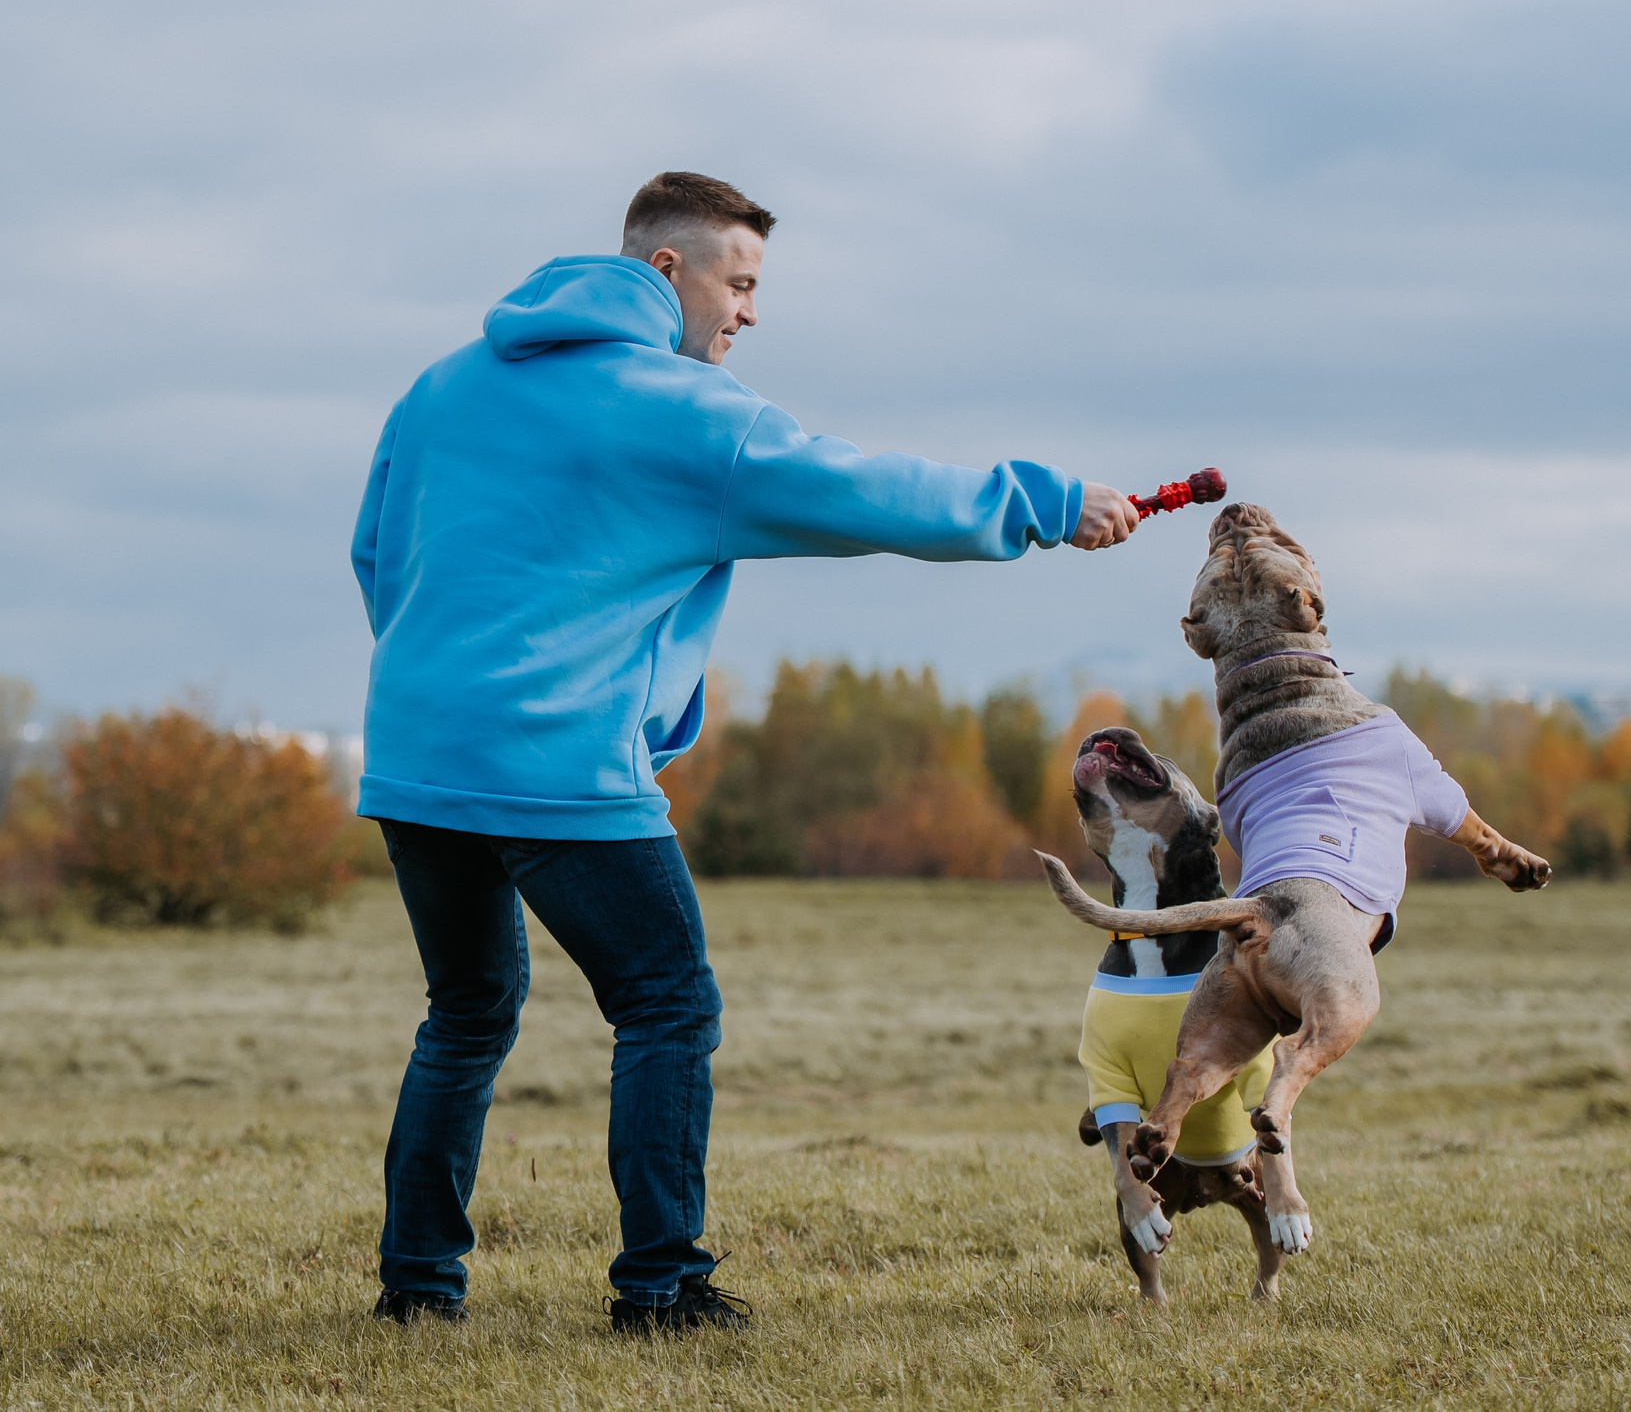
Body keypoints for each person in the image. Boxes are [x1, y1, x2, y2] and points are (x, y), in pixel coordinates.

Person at [351, 172, 1139, 1332]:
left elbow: (377, 553)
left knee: (466, 1012)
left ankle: (418, 1291)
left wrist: (450, 690)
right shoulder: (679, 411)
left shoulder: (441, 386)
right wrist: (1045, 498)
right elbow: (865, 489)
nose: (750, 310)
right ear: (665, 270)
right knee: (668, 1001)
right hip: (557, 767)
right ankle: (661, 1285)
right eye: (740, 280)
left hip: (417, 754)